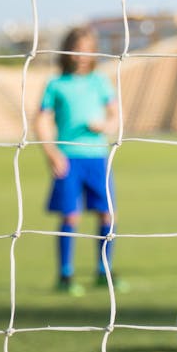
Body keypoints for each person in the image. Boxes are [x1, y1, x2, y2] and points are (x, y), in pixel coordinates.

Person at [34, 26, 124, 296]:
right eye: (77, 49)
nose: (82, 55)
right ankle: (65, 275)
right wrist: (51, 152)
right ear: (67, 51)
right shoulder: (55, 84)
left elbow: (115, 114)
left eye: (87, 49)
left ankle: (103, 271)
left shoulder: (99, 81)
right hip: (68, 157)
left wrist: (106, 126)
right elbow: (40, 120)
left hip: (97, 157)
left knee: (107, 213)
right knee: (70, 215)